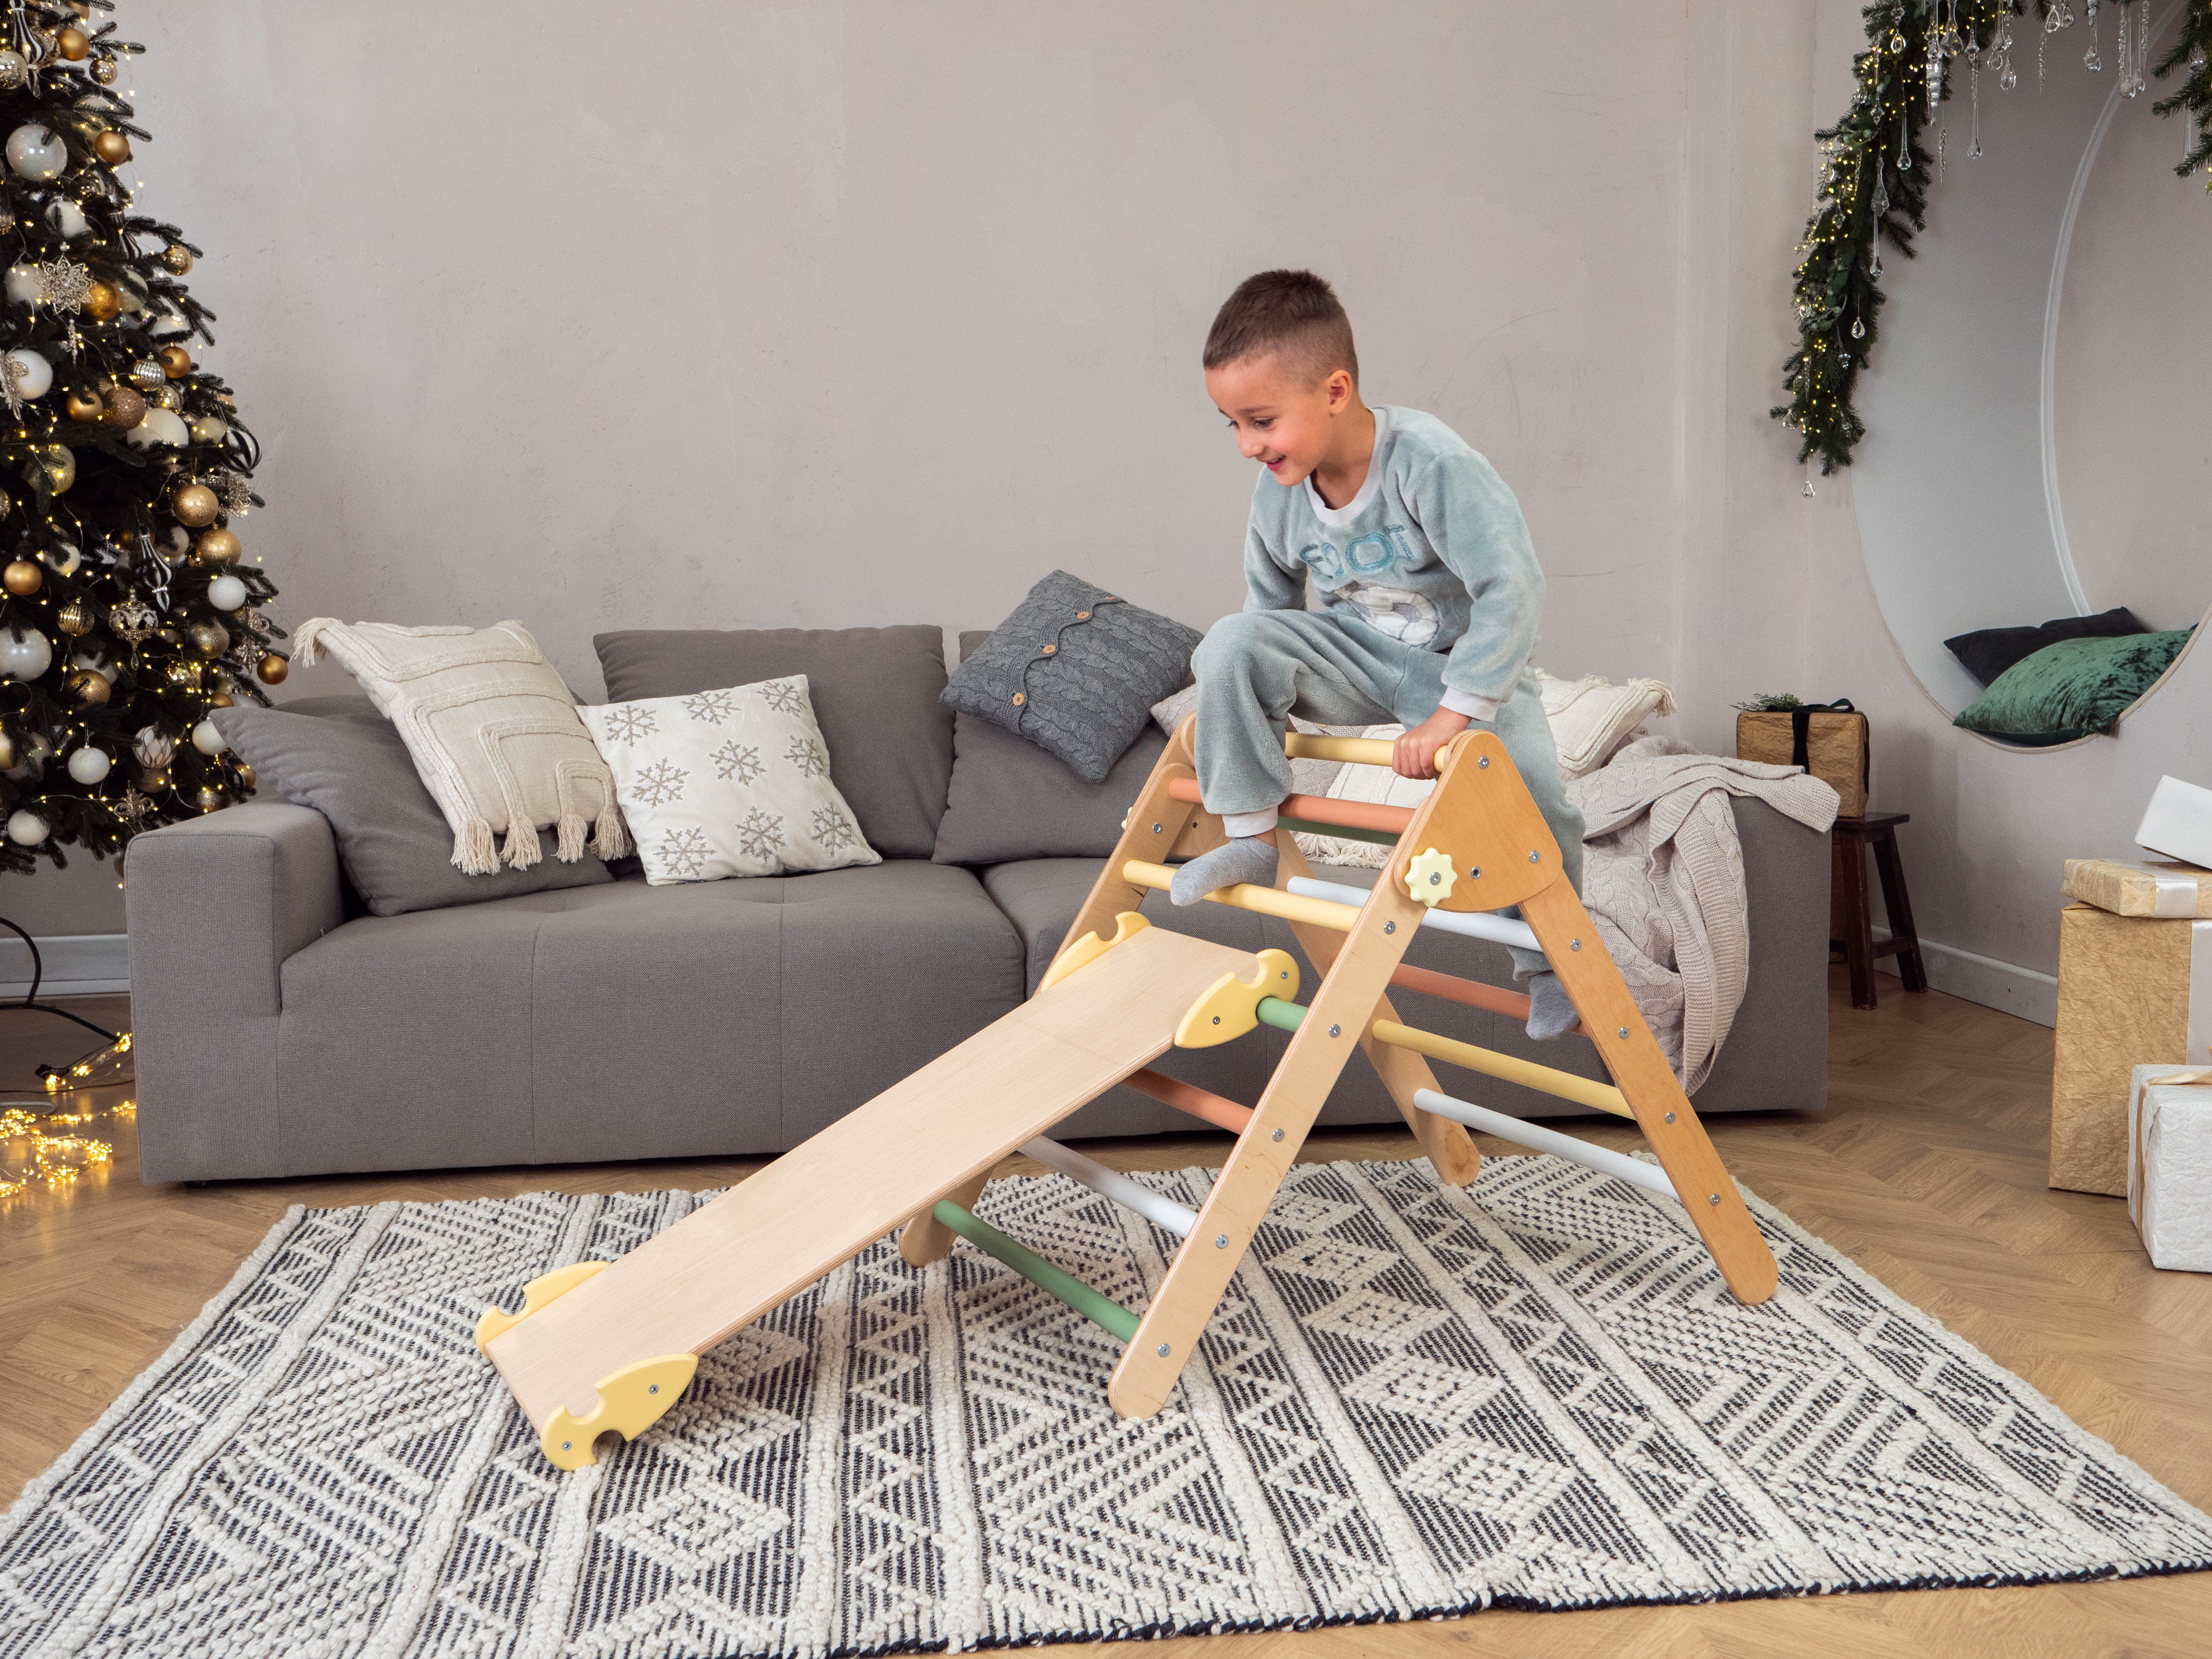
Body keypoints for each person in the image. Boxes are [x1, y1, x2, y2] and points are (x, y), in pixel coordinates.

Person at [1173, 269, 1585, 1039]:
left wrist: (1457, 712)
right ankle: (1251, 840)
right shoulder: (1278, 490)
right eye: (1230, 424)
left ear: (1334, 391)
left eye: (1261, 420)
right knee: (1230, 641)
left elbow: (1514, 588)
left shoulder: (1430, 463)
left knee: (1530, 789)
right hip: (1362, 656)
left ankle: (1549, 960)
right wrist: (1250, 701)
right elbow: (1269, 617)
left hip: (1461, 666)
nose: (1246, 446)